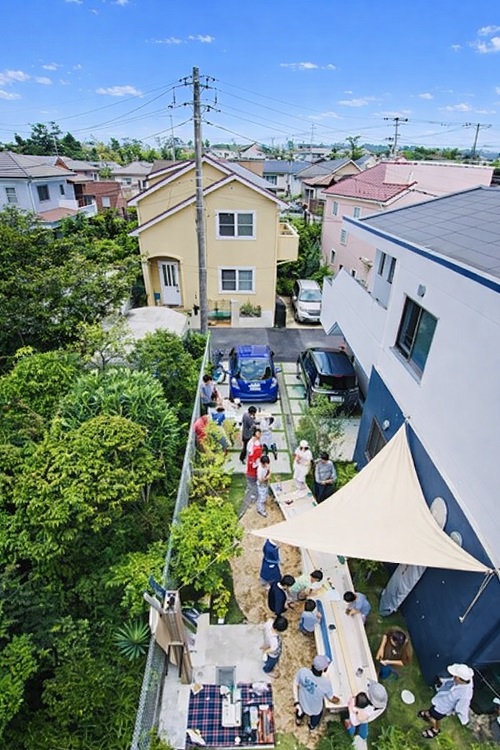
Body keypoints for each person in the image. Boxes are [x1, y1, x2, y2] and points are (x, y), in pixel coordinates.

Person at [418, 663, 474, 740]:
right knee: (432, 710)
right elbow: (451, 681)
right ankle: (428, 714)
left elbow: (462, 708)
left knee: (435, 717)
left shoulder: (466, 694)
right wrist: (443, 681)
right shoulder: (466, 679)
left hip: (443, 708)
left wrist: (463, 719)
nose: (453, 677)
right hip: (441, 699)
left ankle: (435, 729)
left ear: (459, 678)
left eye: (455, 676)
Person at [293, 655, 340, 730]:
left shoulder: (303, 672)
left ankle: (298, 721)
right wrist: (339, 700)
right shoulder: (326, 683)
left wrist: (296, 702)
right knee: (316, 718)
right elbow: (331, 698)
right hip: (315, 709)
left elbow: (295, 683)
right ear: (323, 669)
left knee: (299, 713)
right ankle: (311, 726)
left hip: (302, 703)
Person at [243, 428, 263, 511]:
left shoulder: (257, 443)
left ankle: (251, 493)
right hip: (252, 468)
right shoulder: (251, 443)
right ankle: (251, 495)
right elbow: (250, 455)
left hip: (254, 467)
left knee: (253, 482)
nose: (260, 435)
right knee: (252, 482)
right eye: (258, 433)